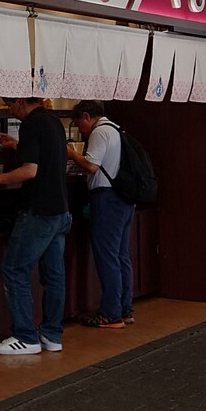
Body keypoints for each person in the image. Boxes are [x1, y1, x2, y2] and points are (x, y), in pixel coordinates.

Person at [0, 98, 70, 355]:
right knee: (54, 276)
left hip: (38, 211)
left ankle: (26, 337)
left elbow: (30, 171)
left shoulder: (31, 124)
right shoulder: (53, 122)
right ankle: (52, 335)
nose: (10, 109)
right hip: (60, 210)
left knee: (14, 269)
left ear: (21, 101)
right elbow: (45, 157)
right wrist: (18, 146)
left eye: (11, 104)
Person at [67, 101, 134, 329]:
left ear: (86, 116)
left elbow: (91, 166)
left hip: (107, 199)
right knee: (121, 255)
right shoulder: (116, 129)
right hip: (123, 198)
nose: (80, 130)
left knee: (107, 257)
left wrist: (70, 153)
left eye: (79, 124)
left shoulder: (100, 132)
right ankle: (125, 309)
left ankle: (111, 314)